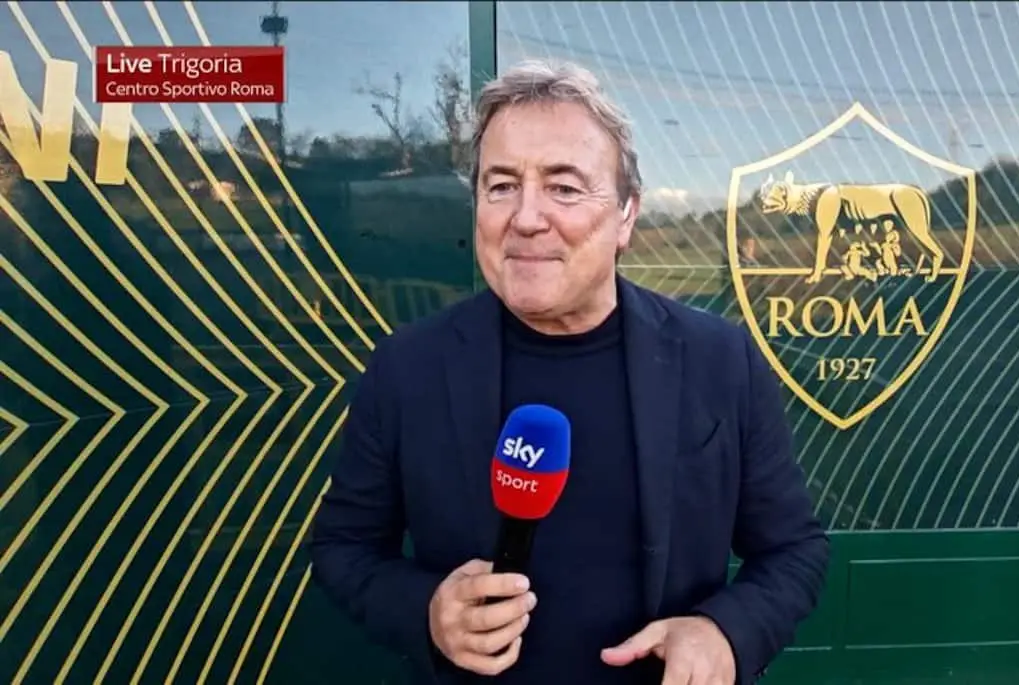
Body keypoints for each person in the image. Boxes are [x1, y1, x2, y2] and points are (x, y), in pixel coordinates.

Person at [309, 59, 831, 685]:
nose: (526, 217)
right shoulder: (408, 367)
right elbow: (344, 548)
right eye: (502, 186)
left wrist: (725, 633)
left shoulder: (720, 360)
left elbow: (793, 551)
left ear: (626, 216)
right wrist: (427, 614)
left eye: (563, 187)